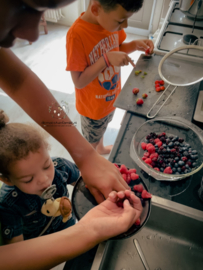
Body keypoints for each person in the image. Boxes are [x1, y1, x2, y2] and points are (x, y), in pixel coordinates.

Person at [0, 1, 142, 269]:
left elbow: (18, 80)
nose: (32, 35)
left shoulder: (61, 169)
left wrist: (85, 154)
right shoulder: (8, 207)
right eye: (25, 6)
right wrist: (85, 233)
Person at [66, 0, 154, 155]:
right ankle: (89, 161)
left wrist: (133, 45)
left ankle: (99, 149)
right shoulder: (77, 35)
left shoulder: (110, 24)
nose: (125, 25)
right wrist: (106, 60)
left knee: (103, 127)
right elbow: (79, 82)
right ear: (95, 9)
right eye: (121, 20)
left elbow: (116, 48)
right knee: (89, 145)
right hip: (92, 107)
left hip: (111, 97)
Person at [0, 114, 81, 244]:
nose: (44, 180)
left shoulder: (60, 166)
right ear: (8, 180)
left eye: (46, 166)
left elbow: (84, 185)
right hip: (41, 245)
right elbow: (16, 249)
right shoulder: (9, 204)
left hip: (67, 223)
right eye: (28, 179)